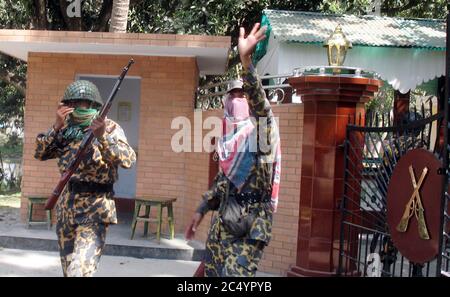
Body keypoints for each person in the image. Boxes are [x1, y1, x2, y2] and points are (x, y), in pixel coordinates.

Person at [185, 23, 281, 277]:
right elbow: (220, 184)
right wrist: (200, 211)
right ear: (226, 102)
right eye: (234, 95)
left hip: (251, 225)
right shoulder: (227, 141)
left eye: (243, 95)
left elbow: (263, 108)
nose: (238, 99)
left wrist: (246, 61)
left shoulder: (261, 133)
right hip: (224, 223)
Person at [34, 80, 136, 277]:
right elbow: (40, 153)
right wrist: (56, 126)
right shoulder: (65, 130)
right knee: (69, 270)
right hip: (67, 207)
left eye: (83, 103)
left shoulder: (110, 127)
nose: (79, 108)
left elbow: (128, 159)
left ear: (93, 105)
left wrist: (102, 136)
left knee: (79, 272)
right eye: (73, 103)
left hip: (95, 207)